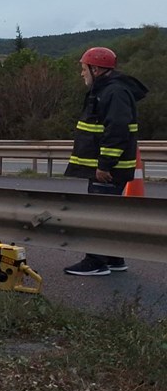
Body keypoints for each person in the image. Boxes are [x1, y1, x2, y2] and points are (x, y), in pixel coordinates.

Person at [63, 47, 147, 276]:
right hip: (107, 167)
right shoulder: (106, 90)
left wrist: (104, 165)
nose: (82, 73)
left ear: (96, 69)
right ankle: (113, 258)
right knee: (108, 212)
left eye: (84, 69)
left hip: (109, 169)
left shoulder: (114, 92)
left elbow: (117, 130)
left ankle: (96, 261)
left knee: (98, 213)